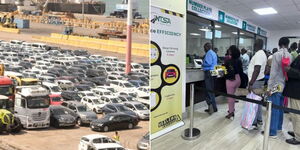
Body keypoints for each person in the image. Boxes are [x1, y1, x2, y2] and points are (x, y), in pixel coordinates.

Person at [261, 37, 292, 138]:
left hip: (275, 85)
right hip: (284, 85)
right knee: (280, 108)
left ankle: (272, 132)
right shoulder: (290, 55)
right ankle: (278, 127)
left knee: (273, 108)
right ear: (287, 44)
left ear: (279, 44)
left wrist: (269, 88)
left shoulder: (276, 55)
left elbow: (273, 73)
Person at [248, 39, 268, 128]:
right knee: (258, 101)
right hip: (259, 80)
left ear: (256, 44)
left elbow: (257, 69)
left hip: (256, 82)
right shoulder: (262, 53)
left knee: (253, 103)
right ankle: (259, 119)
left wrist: (251, 83)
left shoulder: (259, 54)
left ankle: (254, 122)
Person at [283, 55, 300, 145]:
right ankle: (297, 131)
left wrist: (289, 70)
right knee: (294, 114)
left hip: (297, 91)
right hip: (294, 90)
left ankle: (298, 137)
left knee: (296, 114)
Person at [224, 45, 243, 119]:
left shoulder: (228, 60)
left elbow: (225, 70)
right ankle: (232, 109)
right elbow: (240, 71)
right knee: (234, 96)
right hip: (238, 79)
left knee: (230, 97)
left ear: (231, 51)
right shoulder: (239, 60)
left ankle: (231, 112)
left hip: (231, 80)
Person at [202, 43, 218, 114]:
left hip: (208, 72)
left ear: (207, 47)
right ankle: (214, 107)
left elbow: (208, 63)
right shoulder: (214, 53)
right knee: (211, 90)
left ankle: (211, 108)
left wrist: (202, 64)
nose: (204, 49)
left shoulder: (208, 53)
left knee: (208, 90)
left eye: (204, 47)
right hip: (213, 72)